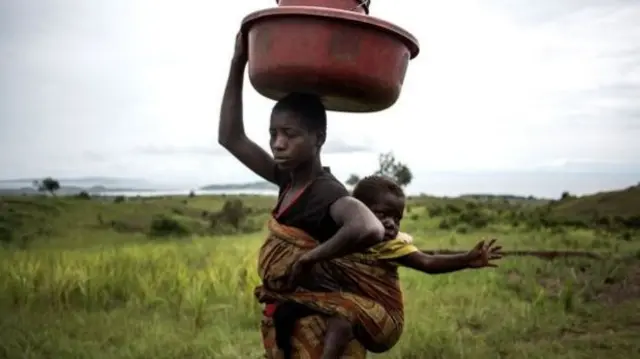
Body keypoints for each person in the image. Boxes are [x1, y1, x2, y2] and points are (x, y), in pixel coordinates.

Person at [219, 31, 388, 359]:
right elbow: (230, 137)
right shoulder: (287, 179)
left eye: (290, 134)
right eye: (273, 134)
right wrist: (238, 62)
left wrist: (309, 257)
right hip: (292, 325)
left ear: (318, 138)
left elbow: (369, 228)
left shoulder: (326, 193)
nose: (277, 143)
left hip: (321, 336)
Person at [309, 175, 504, 358]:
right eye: (382, 215)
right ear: (357, 211)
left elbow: (426, 262)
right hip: (360, 313)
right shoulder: (341, 239)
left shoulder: (389, 246)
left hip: (387, 323)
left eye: (397, 219)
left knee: (341, 316)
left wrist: (466, 260)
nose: (391, 224)